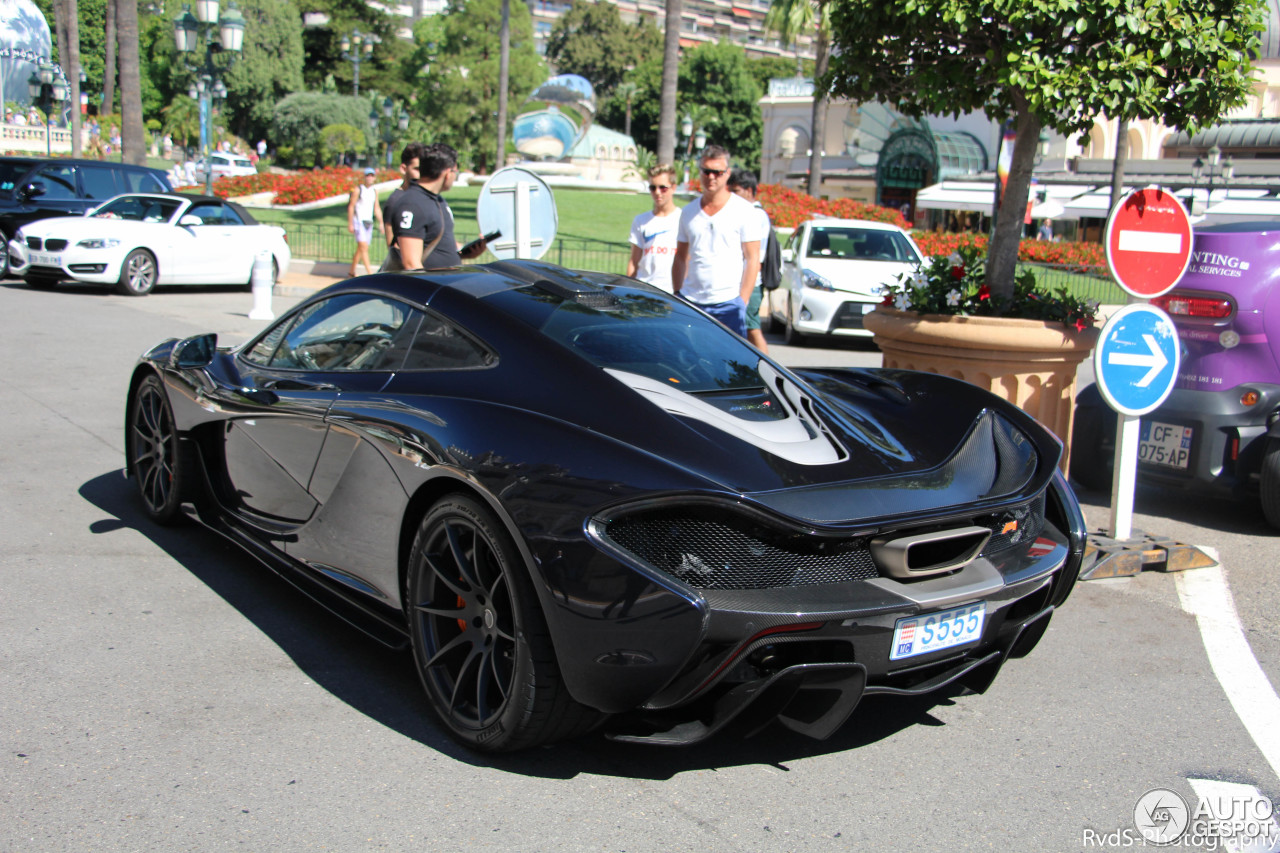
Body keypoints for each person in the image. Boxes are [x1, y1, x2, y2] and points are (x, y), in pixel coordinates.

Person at [670, 145, 761, 339]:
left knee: (729, 365)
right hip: (691, 301)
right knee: (687, 363)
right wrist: (678, 294)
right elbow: (680, 256)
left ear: (727, 174)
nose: (711, 177)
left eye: (717, 172)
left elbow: (753, 259)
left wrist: (741, 302)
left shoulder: (744, 211)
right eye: (706, 171)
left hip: (728, 303)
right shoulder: (688, 212)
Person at [386, 142, 489, 271]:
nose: (454, 176)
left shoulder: (438, 200)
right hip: (431, 289)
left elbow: (439, 246)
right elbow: (411, 265)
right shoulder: (411, 205)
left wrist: (465, 252)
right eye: (455, 172)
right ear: (447, 173)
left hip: (446, 283)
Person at [727, 167, 773, 353]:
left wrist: (744, 294)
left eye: (736, 191)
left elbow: (755, 257)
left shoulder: (755, 214)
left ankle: (773, 371)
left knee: (752, 328)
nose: (732, 196)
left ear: (748, 190)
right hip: (741, 282)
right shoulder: (745, 212)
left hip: (751, 283)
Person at [626, 164, 682, 292]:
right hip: (645, 291)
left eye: (663, 188)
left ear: (673, 188)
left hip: (673, 293)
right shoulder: (640, 220)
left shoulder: (683, 219)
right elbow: (634, 262)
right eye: (653, 187)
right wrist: (628, 289)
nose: (657, 192)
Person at [347, 167, 384, 277]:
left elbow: (376, 208)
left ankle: (351, 271)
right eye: (368, 175)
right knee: (363, 247)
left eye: (371, 175)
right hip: (359, 221)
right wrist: (350, 223)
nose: (369, 178)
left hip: (369, 221)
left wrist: (381, 222)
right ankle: (370, 274)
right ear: (364, 177)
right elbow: (351, 206)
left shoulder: (374, 191)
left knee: (361, 248)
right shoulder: (359, 190)